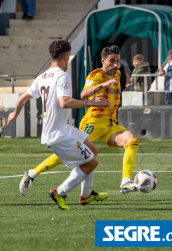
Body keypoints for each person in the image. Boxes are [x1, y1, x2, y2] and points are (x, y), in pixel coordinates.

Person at [19, 45, 141, 201]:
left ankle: (124, 182)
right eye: (112, 61)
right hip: (93, 122)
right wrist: (101, 86)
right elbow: (83, 94)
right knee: (72, 155)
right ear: (103, 60)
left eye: (117, 61)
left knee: (131, 142)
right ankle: (32, 173)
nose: (115, 65)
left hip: (110, 124)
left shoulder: (116, 74)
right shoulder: (96, 75)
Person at [7, 40, 110, 210]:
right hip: (58, 135)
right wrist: (92, 102)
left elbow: (22, 99)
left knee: (93, 151)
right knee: (91, 163)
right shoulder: (63, 76)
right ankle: (59, 192)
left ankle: (86, 195)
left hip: (63, 128)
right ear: (65, 56)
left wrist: (14, 114)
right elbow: (64, 102)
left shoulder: (42, 76)